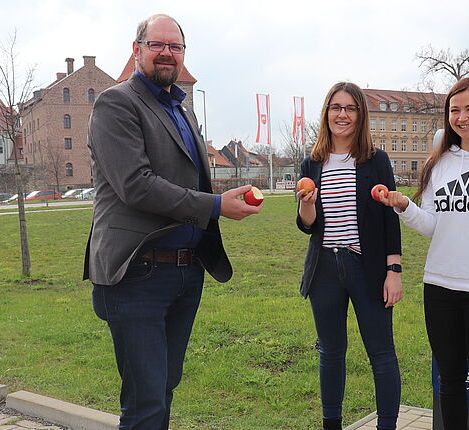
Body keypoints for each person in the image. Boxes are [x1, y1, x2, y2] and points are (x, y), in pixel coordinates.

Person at [84, 14, 260, 430]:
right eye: (157, 45)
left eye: (175, 47)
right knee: (145, 402)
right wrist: (216, 206)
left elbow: (188, 177)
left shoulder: (181, 108)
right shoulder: (116, 104)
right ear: (137, 49)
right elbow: (136, 185)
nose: (167, 53)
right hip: (137, 273)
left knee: (163, 389)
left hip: (184, 270)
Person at [378, 77, 469, 430]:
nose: (462, 117)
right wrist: (403, 207)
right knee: (450, 380)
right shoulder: (439, 163)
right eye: (455, 110)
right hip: (439, 287)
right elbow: (432, 225)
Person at [296, 82, 403, 430]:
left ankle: (386, 425)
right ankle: (332, 424)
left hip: (366, 267)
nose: (342, 115)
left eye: (350, 108)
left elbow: (390, 218)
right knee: (330, 352)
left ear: (360, 115)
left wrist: (394, 270)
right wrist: (306, 204)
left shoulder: (375, 161)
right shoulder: (312, 163)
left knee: (381, 354)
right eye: (335, 107)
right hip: (325, 268)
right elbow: (308, 225)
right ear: (326, 113)